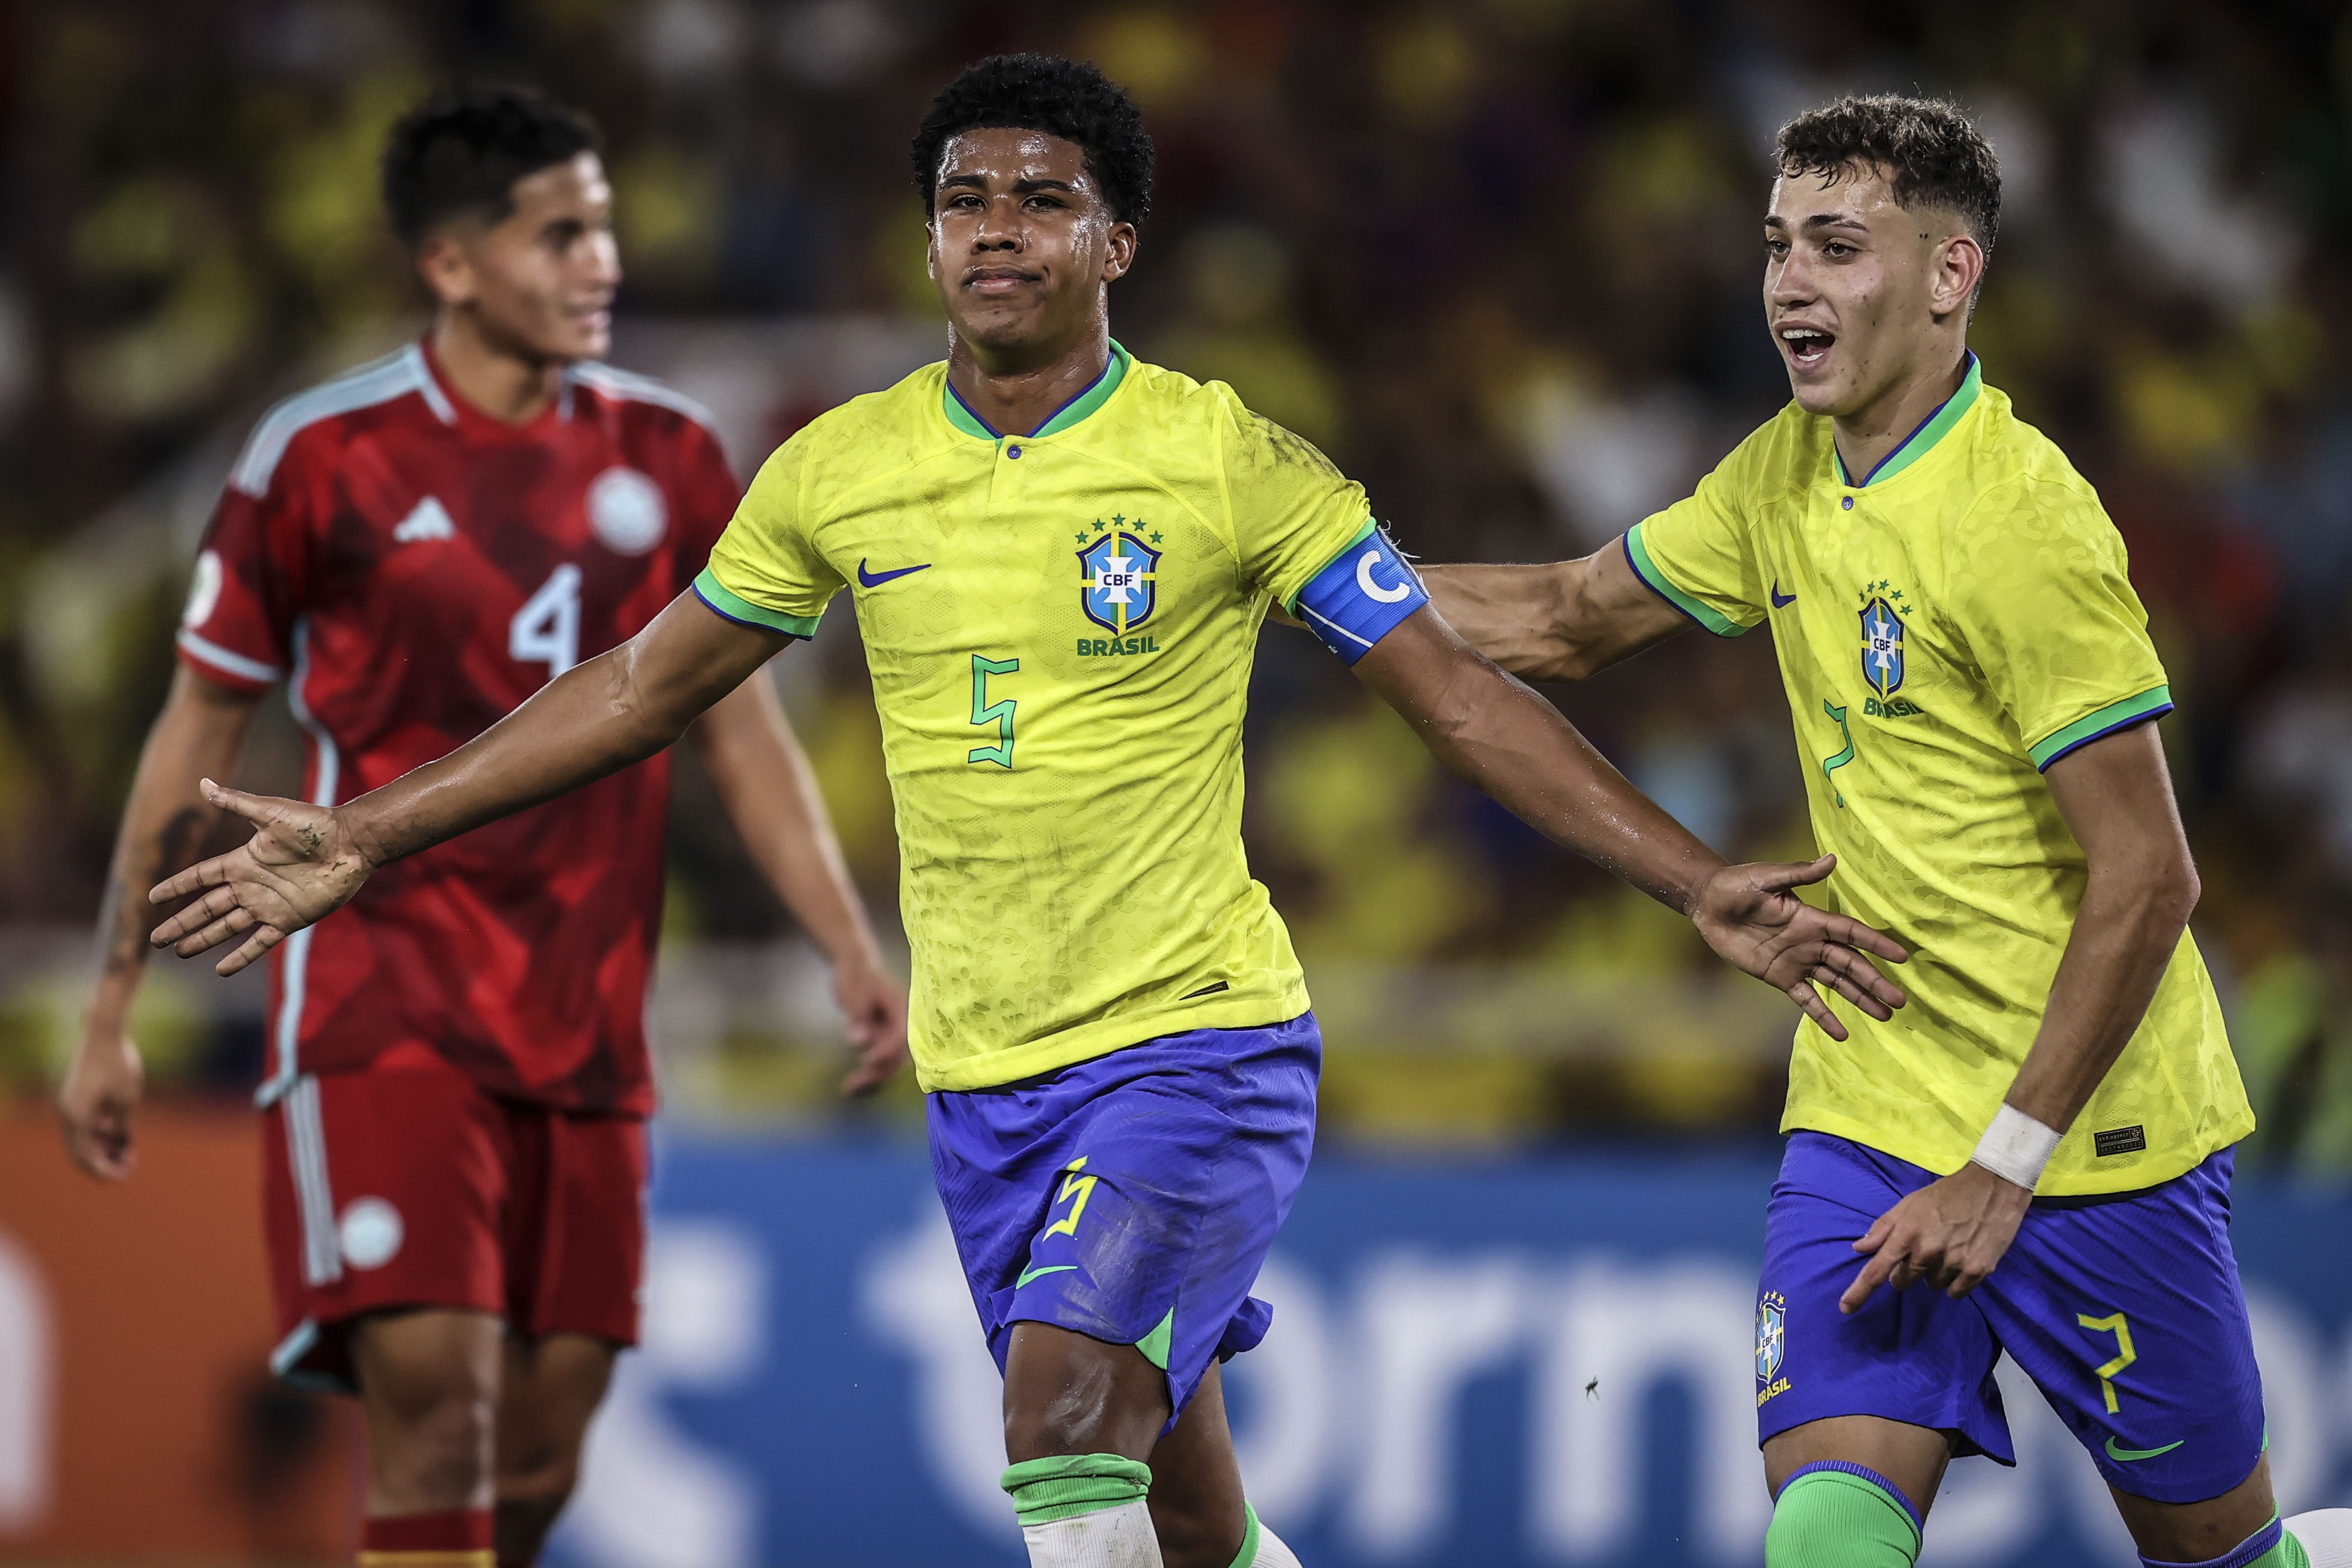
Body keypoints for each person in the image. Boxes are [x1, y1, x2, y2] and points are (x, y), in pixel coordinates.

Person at [143, 57, 1906, 1568]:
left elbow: (1451, 687)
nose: (992, 225)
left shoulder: (1231, 460)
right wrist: (367, 828)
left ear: (1113, 244)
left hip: (1195, 1046)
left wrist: (1689, 879)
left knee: (1059, 1416)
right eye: (963, 197)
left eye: (1039, 200)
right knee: (1191, 1524)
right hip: (986, 1078)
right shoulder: (839, 469)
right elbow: (637, 686)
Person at [1419, 93, 2352, 1568]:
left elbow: (2150, 871)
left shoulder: (2020, 525)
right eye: (1778, 243)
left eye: (1837, 246)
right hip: (1866, 1096)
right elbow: (1564, 617)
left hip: (2094, 1137)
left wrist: (2004, 1161)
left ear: (1946, 275)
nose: (1789, 281)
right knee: (1825, 1539)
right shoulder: (1785, 468)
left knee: (2220, 1558)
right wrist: (1302, 571)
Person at [56, 83, 907, 1568]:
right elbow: (191, 730)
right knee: (437, 1412)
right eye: (561, 233)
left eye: (608, 229)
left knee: (542, 1442)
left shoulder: (674, 455)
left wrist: (847, 939)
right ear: (450, 263)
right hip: (379, 996)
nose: (604, 263)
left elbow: (744, 727)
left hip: (588, 1011)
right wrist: (112, 1000)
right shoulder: (321, 458)